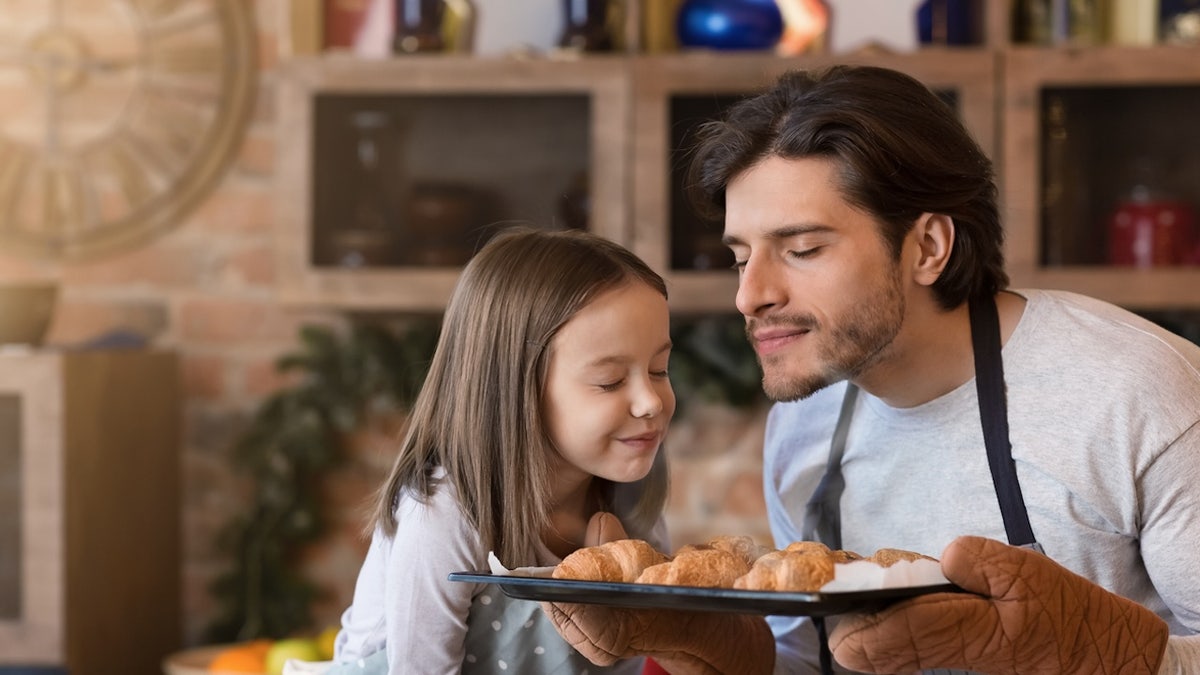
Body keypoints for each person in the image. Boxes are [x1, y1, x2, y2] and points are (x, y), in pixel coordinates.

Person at [545, 65, 1200, 674]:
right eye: (742, 257)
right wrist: (708, 648)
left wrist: (1110, 653)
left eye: (801, 248)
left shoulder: (1135, 395)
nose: (750, 295)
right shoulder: (801, 426)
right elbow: (809, 660)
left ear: (928, 247)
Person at [326, 226, 677, 674]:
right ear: (513, 390)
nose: (651, 402)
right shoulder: (444, 515)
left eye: (659, 369)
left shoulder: (634, 506)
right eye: (610, 381)